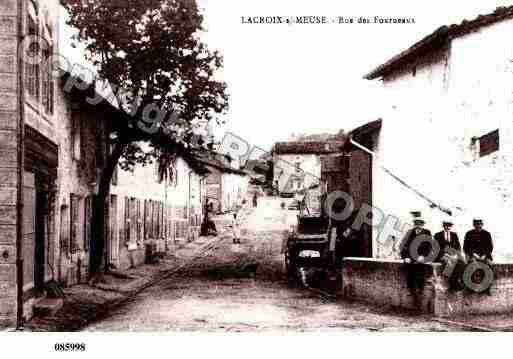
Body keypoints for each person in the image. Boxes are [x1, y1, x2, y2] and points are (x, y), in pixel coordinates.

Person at [399, 213, 433, 309]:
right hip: (410, 260)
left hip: (421, 261)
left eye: (420, 223)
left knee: (421, 280)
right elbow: (403, 246)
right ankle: (415, 301)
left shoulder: (427, 232)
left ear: (423, 224)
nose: (418, 225)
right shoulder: (409, 232)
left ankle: (420, 303)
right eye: (416, 223)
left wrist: (423, 256)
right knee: (410, 281)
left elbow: (429, 246)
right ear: (414, 224)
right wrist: (405, 257)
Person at [434, 219, 465, 291]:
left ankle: (457, 281)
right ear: (443, 226)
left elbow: (458, 247)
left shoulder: (454, 235)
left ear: (451, 226)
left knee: (462, 263)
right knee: (449, 262)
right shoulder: (437, 235)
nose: (448, 227)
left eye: (449, 226)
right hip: (441, 255)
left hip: (453, 255)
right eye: (446, 225)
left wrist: (456, 254)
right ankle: (452, 283)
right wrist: (446, 255)